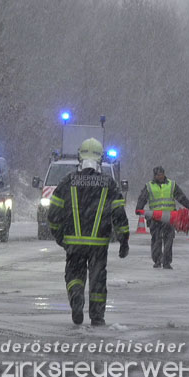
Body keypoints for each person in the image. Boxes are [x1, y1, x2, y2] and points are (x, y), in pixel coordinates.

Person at [47, 138, 130, 326]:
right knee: (98, 280)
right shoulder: (108, 184)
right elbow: (119, 214)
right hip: (99, 245)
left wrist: (60, 237)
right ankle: (97, 316)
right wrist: (124, 240)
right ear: (100, 159)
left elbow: (53, 214)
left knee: (74, 276)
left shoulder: (67, 182)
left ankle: (76, 298)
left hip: (74, 244)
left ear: (79, 156)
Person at [136, 166, 189, 269]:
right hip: (155, 218)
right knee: (156, 240)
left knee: (168, 240)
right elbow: (143, 198)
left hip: (170, 218)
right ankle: (157, 260)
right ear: (155, 175)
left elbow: (181, 197)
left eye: (162, 174)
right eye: (158, 175)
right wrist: (139, 208)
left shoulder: (172, 185)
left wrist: (188, 205)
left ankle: (166, 262)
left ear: (164, 174)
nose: (160, 176)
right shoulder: (149, 186)